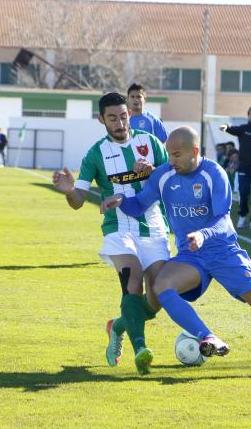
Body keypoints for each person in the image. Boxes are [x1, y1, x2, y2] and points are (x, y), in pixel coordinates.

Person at [101, 126, 251, 376]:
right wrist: (121, 201)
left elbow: (225, 221)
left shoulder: (214, 174)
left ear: (194, 151)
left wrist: (203, 234)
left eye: (176, 155)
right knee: (161, 285)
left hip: (224, 252)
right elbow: (140, 204)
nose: (170, 160)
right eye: (169, 154)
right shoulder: (163, 175)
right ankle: (207, 337)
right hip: (190, 256)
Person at [52, 92, 170, 375]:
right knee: (133, 277)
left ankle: (118, 326)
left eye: (123, 116)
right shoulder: (95, 153)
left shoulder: (150, 142)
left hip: (153, 226)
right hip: (118, 228)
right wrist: (70, 191)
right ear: (101, 120)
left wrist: (153, 170)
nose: (120, 123)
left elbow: (171, 177)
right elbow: (79, 199)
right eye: (113, 118)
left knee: (159, 295)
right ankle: (140, 350)